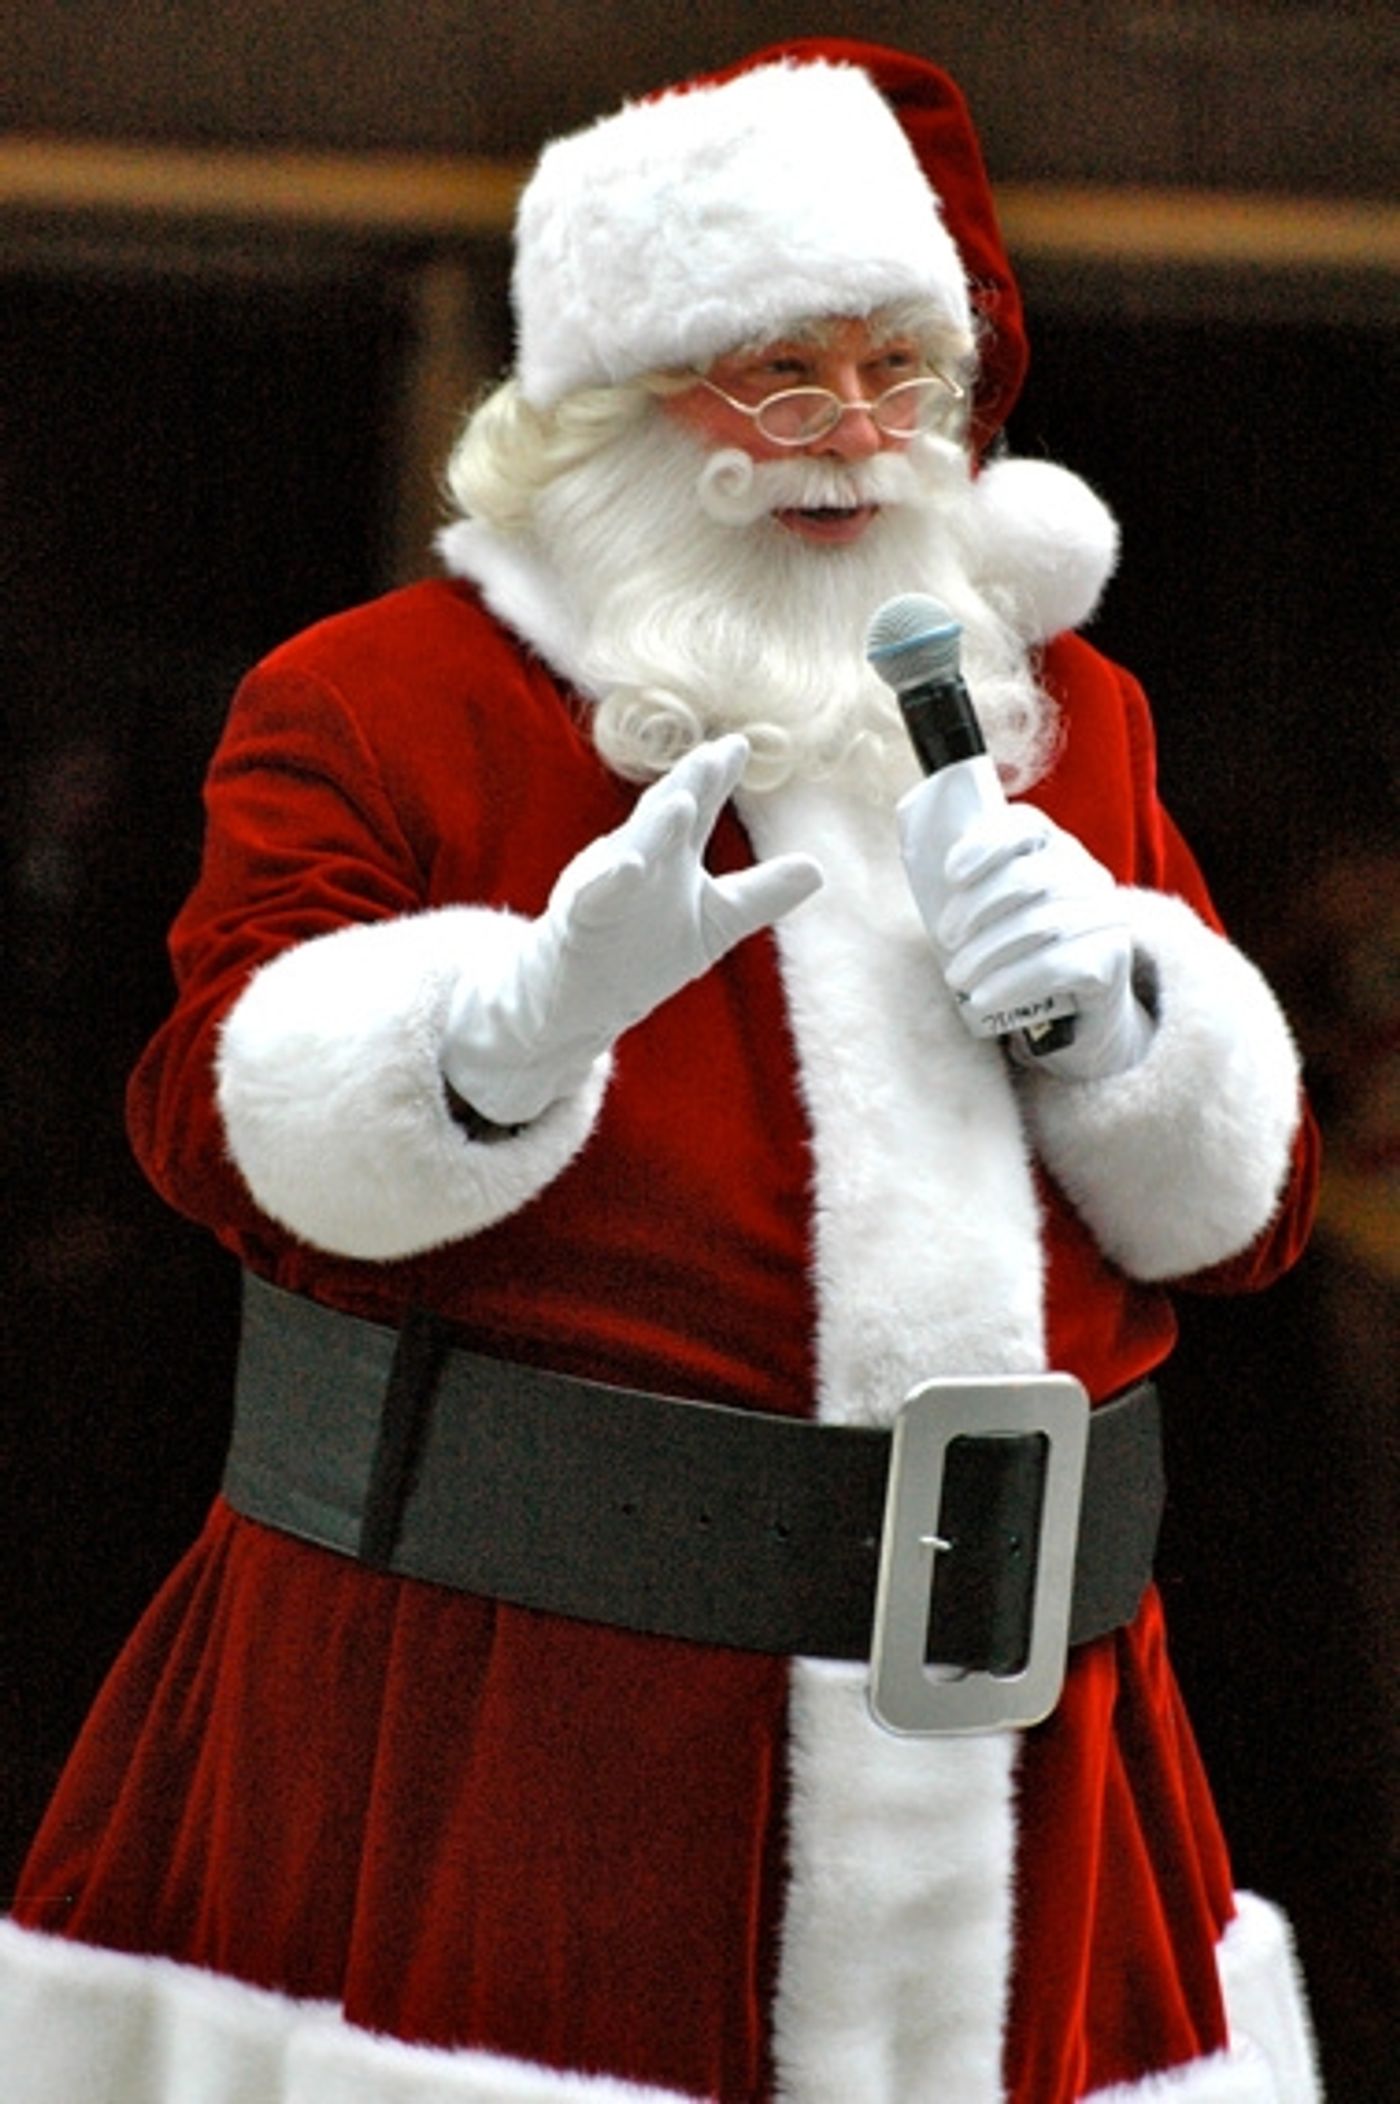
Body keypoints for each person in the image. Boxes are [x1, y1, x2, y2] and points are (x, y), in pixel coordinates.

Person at [1, 36, 1323, 2104]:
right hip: (504, 1727)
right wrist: (502, 1029)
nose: (852, 436)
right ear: (616, 408)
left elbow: (1241, 1224)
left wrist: (1122, 1021)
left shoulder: (1064, 714)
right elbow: (203, 1126)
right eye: (777, 374)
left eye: (898, 371)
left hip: (1034, 1775)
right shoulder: (380, 702)